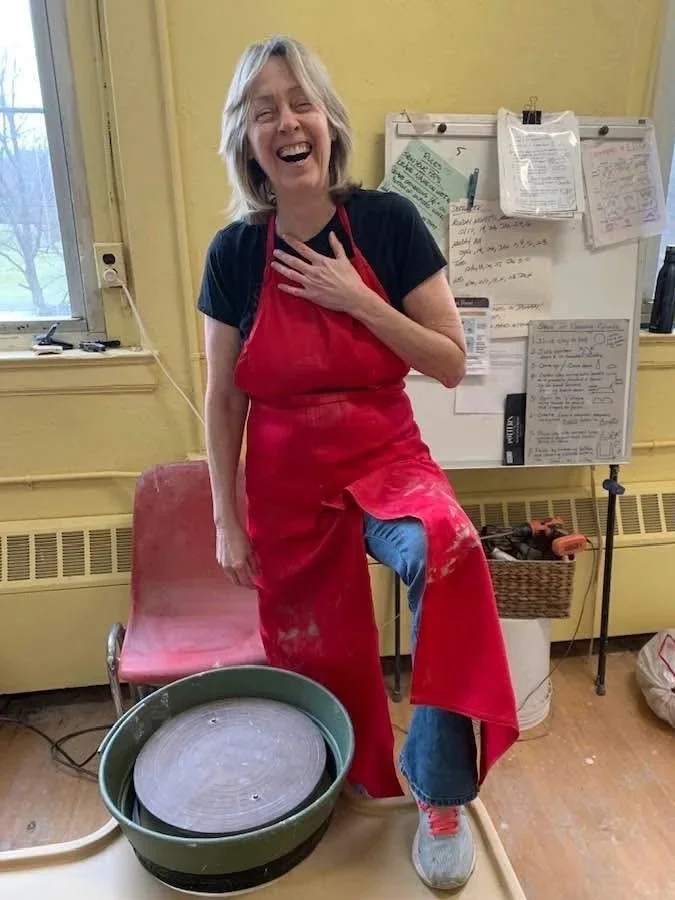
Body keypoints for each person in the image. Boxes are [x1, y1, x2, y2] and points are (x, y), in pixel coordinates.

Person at [198, 35, 518, 891]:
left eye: (297, 101)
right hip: (281, 479)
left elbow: (449, 361)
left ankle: (440, 793)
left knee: (450, 555)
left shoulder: (385, 223)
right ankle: (328, 791)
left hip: (385, 459)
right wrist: (227, 519)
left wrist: (358, 299)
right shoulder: (233, 253)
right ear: (248, 140)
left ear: (326, 121)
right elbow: (224, 398)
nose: (285, 122)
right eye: (263, 110)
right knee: (315, 652)